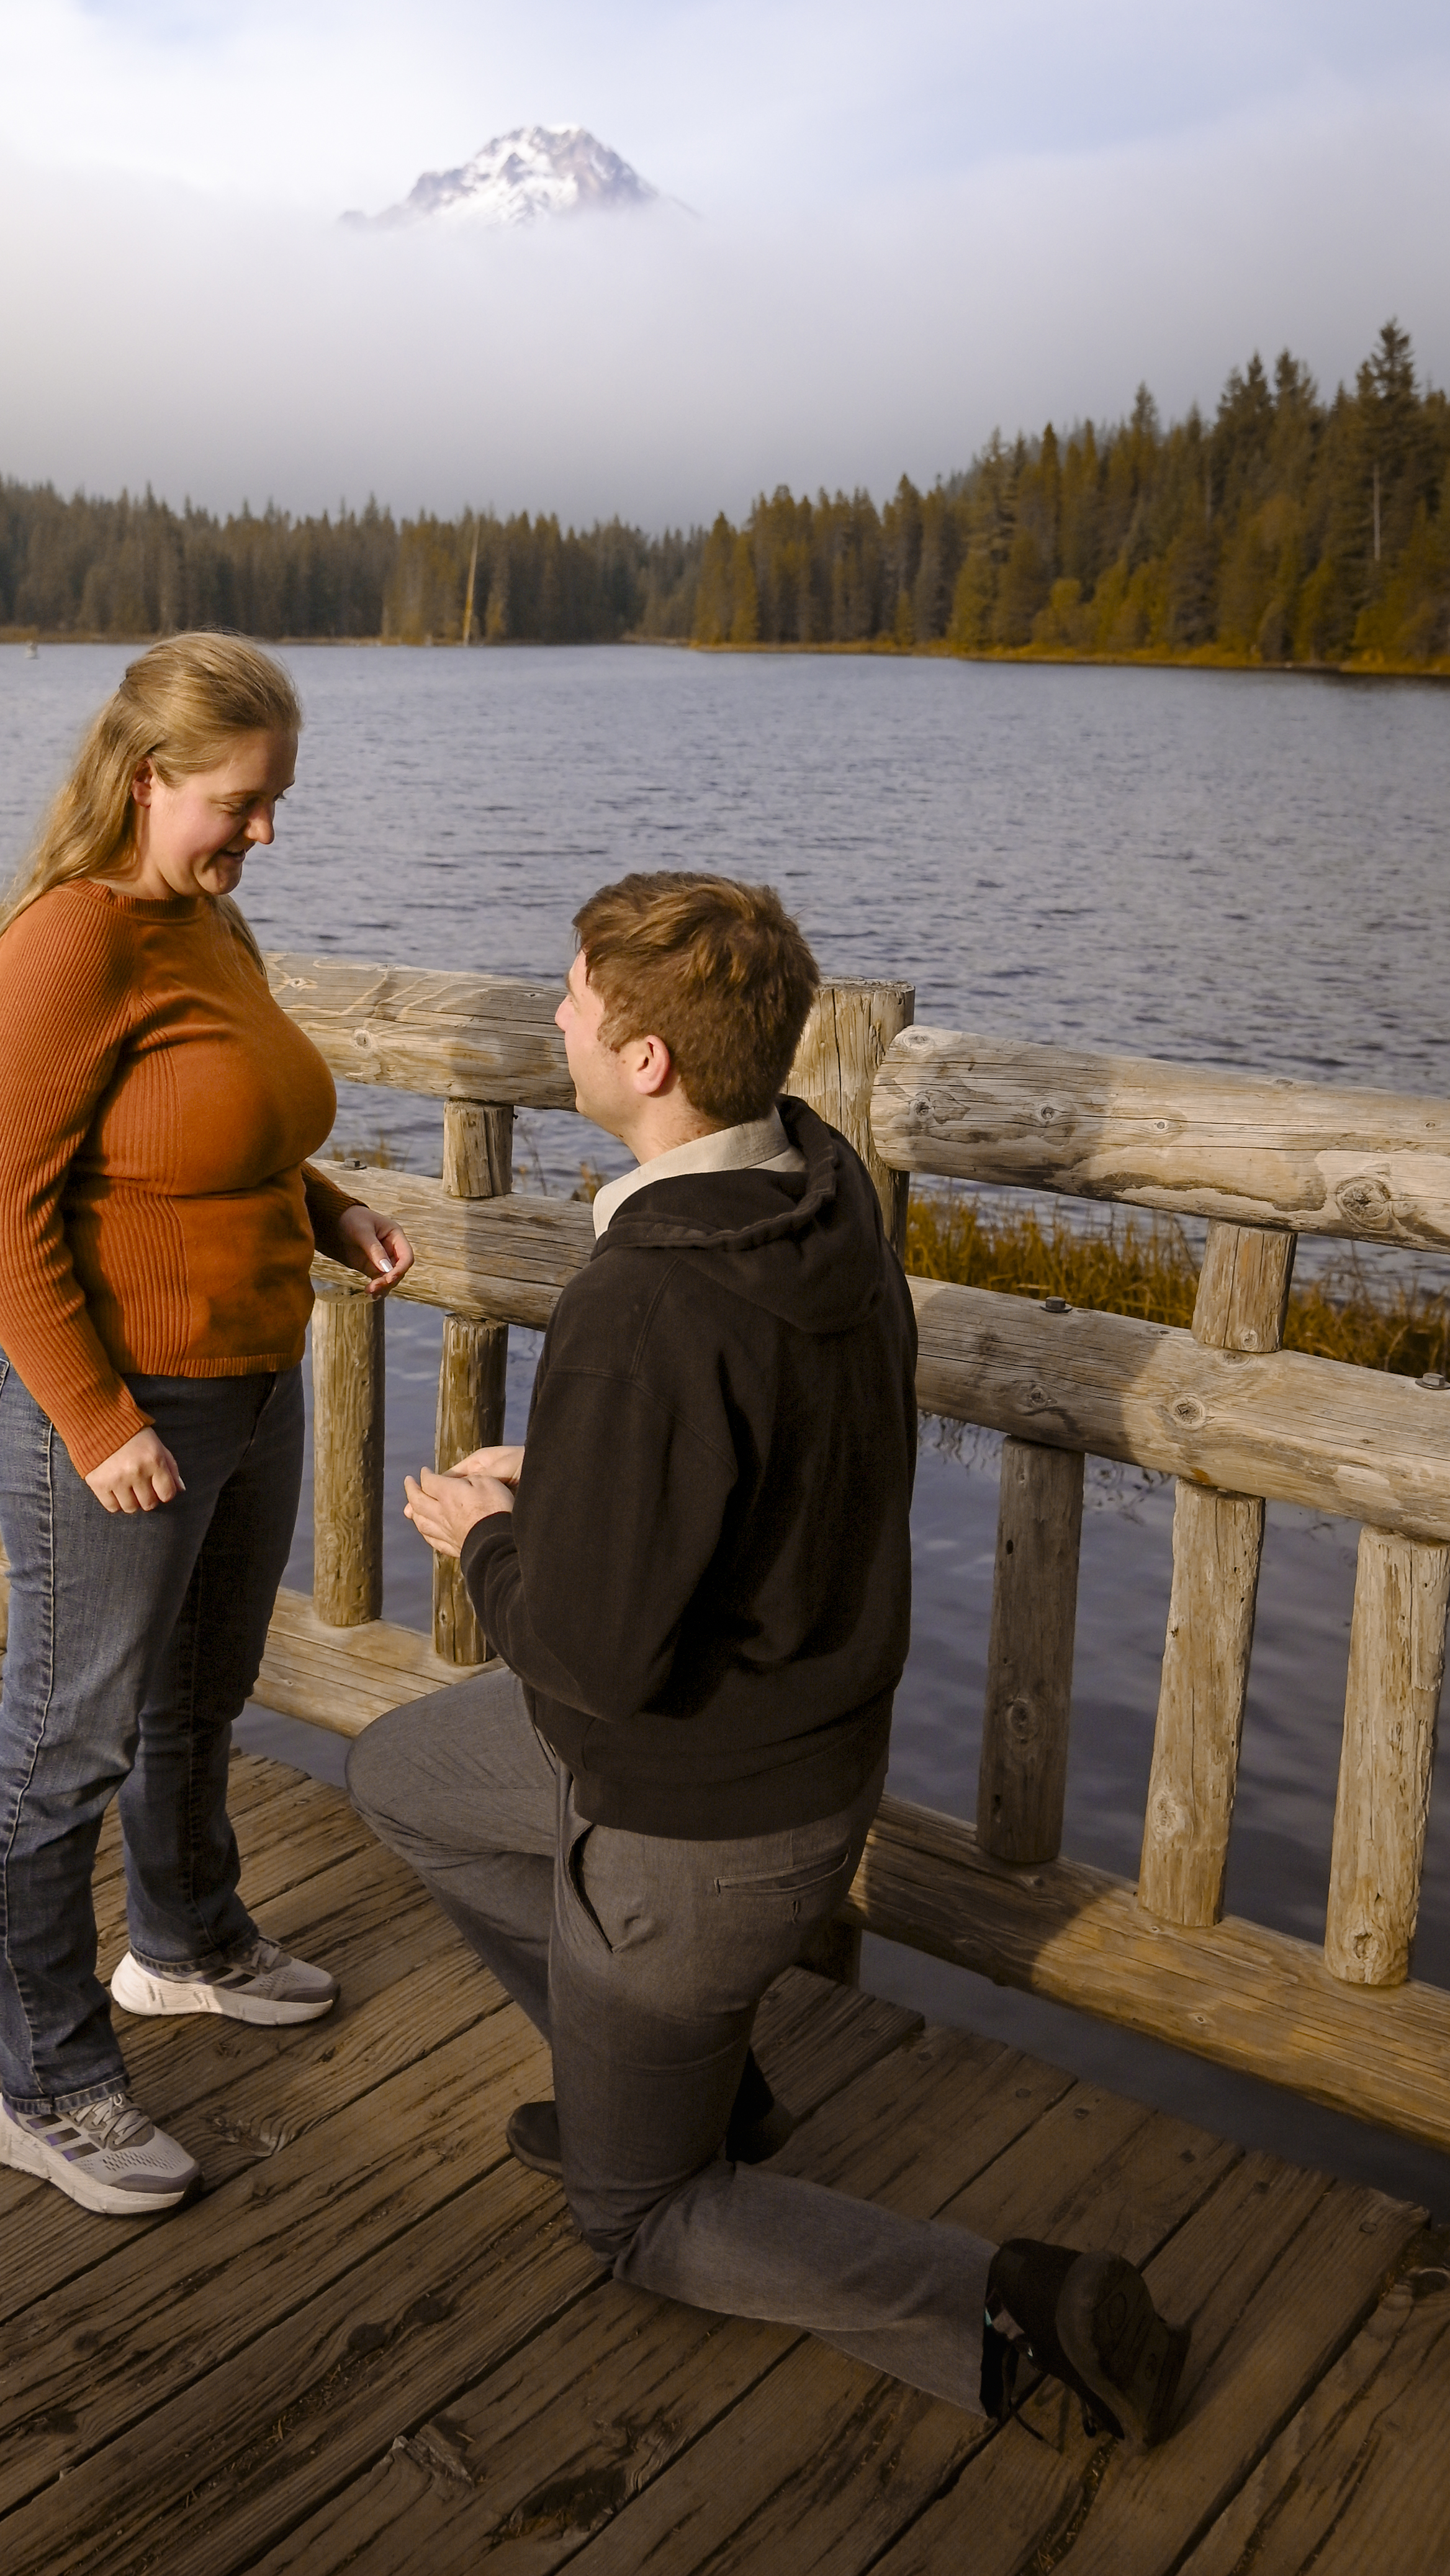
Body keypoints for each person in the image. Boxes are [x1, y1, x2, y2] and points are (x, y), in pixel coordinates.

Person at [350, 871, 1189, 2444]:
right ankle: (685, 2085)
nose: (555, 1017)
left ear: (648, 1063)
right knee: (397, 1772)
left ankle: (1018, 2310)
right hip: (802, 1772)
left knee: (637, 2224)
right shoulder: (817, 1188)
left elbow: (589, 1658)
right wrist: (585, 1479)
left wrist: (486, 1535)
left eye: (574, 999)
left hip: (689, 1826)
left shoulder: (642, 1299)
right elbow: (754, 1453)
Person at [0, 634, 411, 2220]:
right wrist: (92, 1421)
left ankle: (186, 1943)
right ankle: (50, 2088)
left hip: (250, 1380)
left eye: (277, 801)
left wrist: (328, 1207)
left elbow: (235, 1127)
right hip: (123, 1414)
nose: (263, 833)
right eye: (243, 801)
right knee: (60, 1751)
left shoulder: (209, 924)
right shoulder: (64, 948)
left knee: (201, 1697)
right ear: (147, 781)